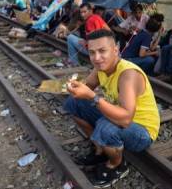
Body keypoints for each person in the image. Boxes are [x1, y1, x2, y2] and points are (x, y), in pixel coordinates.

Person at [64, 29, 160, 188]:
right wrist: (75, 87)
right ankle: (100, 150)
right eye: (92, 52)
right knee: (73, 103)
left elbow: (126, 118)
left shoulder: (128, 74)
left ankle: (117, 165)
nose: (97, 58)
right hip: (120, 118)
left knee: (105, 127)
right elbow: (87, 87)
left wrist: (93, 97)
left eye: (102, 51)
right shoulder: (100, 69)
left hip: (142, 130)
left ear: (115, 50)